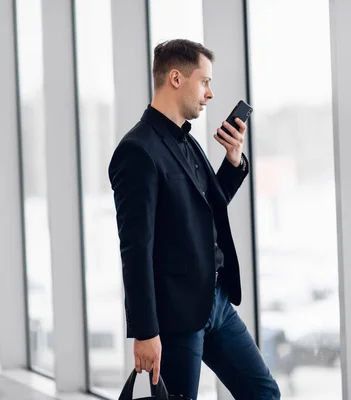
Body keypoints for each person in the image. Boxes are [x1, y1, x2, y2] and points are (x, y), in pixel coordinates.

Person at [108, 39, 280, 400]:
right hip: (176, 317)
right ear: (175, 78)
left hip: (216, 302)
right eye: (204, 82)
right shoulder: (137, 150)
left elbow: (204, 209)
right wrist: (144, 332)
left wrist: (233, 160)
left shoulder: (187, 141)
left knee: (265, 394)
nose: (210, 93)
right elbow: (136, 249)